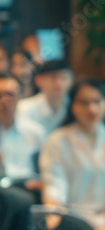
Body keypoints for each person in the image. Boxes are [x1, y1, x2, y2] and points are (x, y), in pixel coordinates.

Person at [39, 81, 105, 215]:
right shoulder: (58, 140)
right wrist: (54, 213)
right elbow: (54, 184)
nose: (92, 109)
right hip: (74, 218)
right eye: (84, 103)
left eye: (97, 101)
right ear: (72, 105)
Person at [0, 73, 45, 183]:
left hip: (27, 187)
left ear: (20, 96)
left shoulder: (35, 131)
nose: (4, 100)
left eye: (10, 94)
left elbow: (45, 169)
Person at [17, 60, 73, 133]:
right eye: (53, 77)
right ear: (38, 80)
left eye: (64, 77)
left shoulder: (74, 106)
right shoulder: (24, 109)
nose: (59, 83)